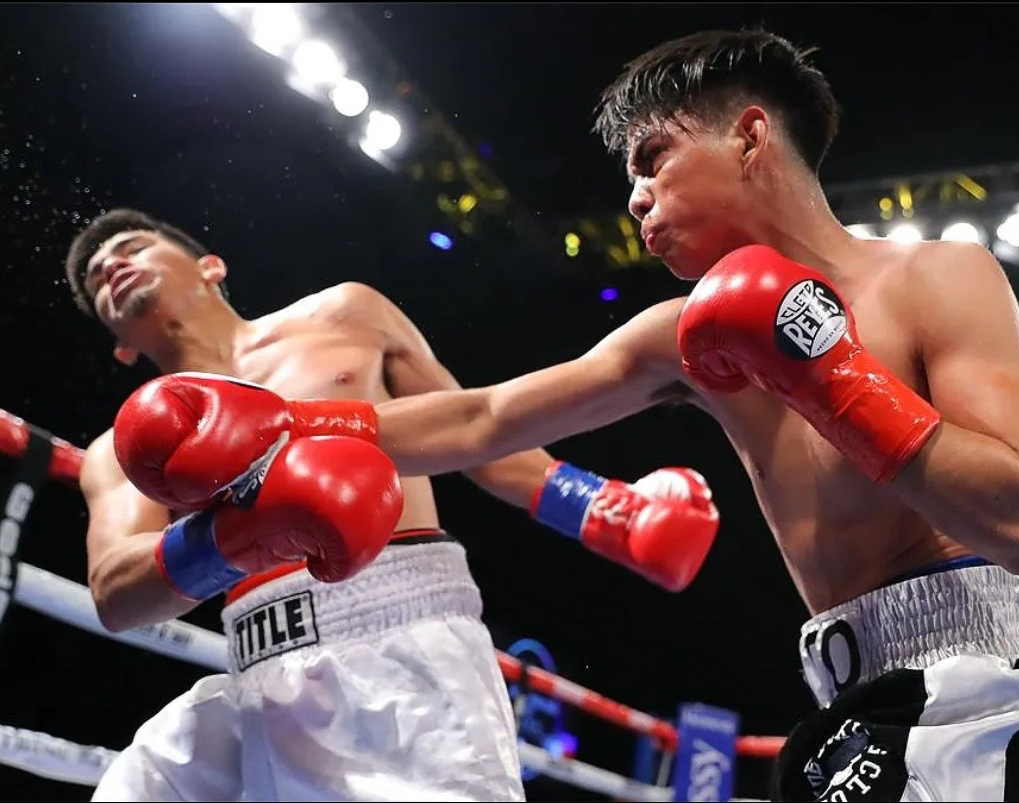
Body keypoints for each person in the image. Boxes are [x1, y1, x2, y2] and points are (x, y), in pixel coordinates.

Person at [148, 28, 1019, 801]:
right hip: (847, 710)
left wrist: (828, 372)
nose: (635, 197)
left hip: (979, 693)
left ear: (750, 136)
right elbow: (482, 420)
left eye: (652, 158)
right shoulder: (679, 336)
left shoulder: (938, 277)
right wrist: (282, 430)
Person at [63, 208, 719, 802]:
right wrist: (240, 534)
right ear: (121, 346)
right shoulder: (121, 453)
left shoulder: (344, 314)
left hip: (402, 648)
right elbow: (116, 594)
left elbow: (480, 433)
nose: (111, 266)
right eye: (96, 280)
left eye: (132, 246)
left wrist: (610, 513)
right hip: (256, 667)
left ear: (210, 266)